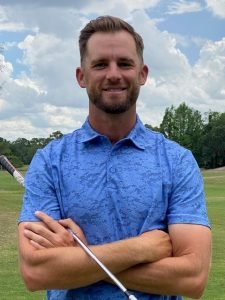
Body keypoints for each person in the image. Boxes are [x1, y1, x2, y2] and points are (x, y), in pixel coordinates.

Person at [18, 15, 211, 300]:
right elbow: (36, 272)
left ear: (142, 73)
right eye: (99, 65)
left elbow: (192, 277)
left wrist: (78, 259)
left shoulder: (177, 161)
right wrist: (141, 249)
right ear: (81, 76)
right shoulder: (49, 162)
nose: (113, 74)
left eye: (124, 63)